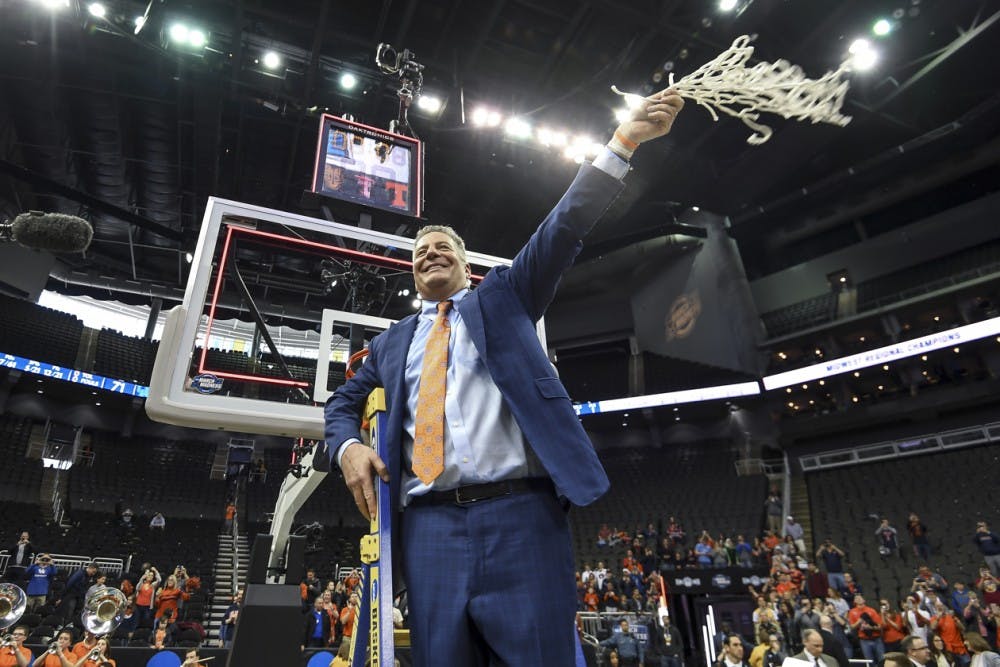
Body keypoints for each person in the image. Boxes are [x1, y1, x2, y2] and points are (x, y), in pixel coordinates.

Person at [324, 87, 684, 666]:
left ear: (467, 265)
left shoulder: (506, 297)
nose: (428, 256)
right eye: (419, 253)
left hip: (520, 514)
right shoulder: (391, 344)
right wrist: (345, 448)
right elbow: (341, 403)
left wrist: (624, 142)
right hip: (428, 525)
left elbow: (563, 226)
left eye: (441, 248)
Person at [848, 594, 885, 663]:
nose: (858, 599)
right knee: (869, 661)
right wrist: (859, 621)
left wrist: (870, 627)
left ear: (864, 600)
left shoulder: (871, 610)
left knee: (882, 660)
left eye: (860, 597)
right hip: (864, 640)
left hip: (876, 638)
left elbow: (880, 626)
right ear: (854, 601)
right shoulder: (852, 612)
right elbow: (852, 627)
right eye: (856, 598)